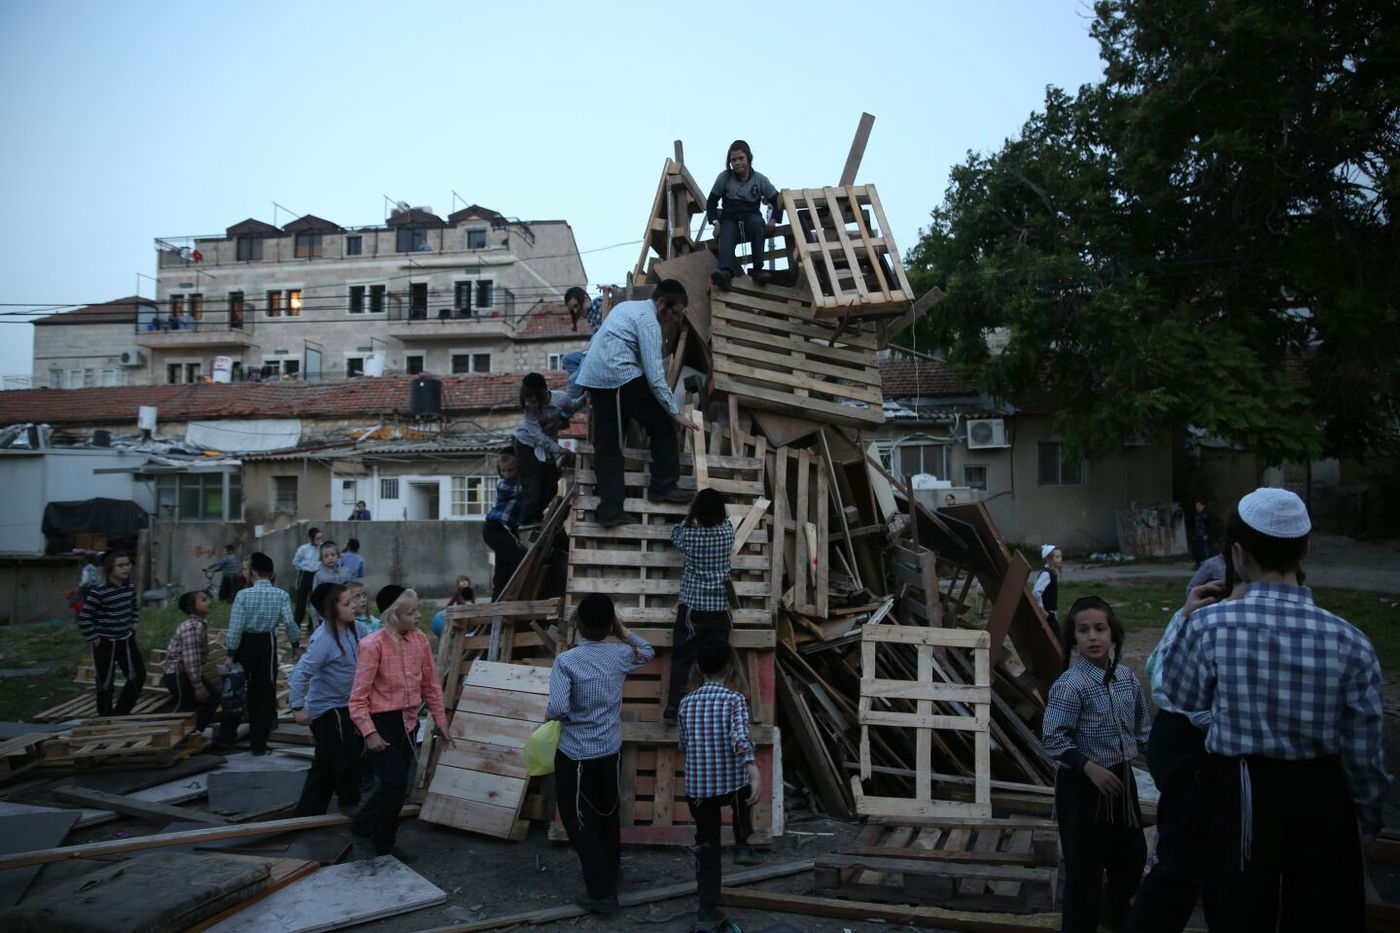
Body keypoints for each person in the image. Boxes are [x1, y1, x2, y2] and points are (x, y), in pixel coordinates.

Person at [1159, 487, 1389, 930]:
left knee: (1240, 914)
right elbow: (1366, 758)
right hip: (1323, 798)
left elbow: (1179, 696)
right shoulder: (1351, 641)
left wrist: (1185, 620)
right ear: (1306, 549)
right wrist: (1364, 825)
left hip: (1239, 793)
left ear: (1238, 554)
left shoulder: (1209, 625)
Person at [1125, 539, 1241, 933]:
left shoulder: (1239, 624)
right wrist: (1189, 615)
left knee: (1217, 870)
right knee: (1181, 865)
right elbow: (1162, 679)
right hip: (1190, 762)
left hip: (1211, 764)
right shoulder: (1192, 621)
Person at [1042, 596, 1150, 933]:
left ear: (1113, 634)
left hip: (1121, 782)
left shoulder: (1128, 679)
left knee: (1132, 859)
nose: (1092, 637)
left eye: (1099, 629)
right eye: (1083, 630)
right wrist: (1089, 767)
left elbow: (1143, 730)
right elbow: (1053, 739)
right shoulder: (1070, 685)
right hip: (1083, 787)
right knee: (1084, 873)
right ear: (1073, 637)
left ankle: (1112, 918)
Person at [546, 594, 655, 915]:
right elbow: (648, 651)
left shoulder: (567, 662)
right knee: (607, 815)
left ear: (577, 624)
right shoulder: (621, 654)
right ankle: (611, 872)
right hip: (609, 751)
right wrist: (624, 632)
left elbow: (557, 709)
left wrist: (558, 718)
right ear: (610, 625)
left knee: (579, 822)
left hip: (575, 755)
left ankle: (602, 894)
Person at [575, 279, 700, 527]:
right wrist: (675, 412)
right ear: (661, 303)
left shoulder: (626, 308)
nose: (676, 319)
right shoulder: (649, 322)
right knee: (662, 421)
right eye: (674, 313)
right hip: (618, 374)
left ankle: (610, 511)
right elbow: (655, 377)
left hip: (595, 376)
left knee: (607, 445)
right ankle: (663, 486)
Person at [348, 585, 453, 859]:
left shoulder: (420, 642)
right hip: (381, 722)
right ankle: (361, 827)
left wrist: (441, 722)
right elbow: (357, 699)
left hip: (408, 722)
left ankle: (385, 844)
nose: (419, 616)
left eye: (417, 609)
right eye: (411, 612)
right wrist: (369, 733)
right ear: (394, 616)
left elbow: (431, 686)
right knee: (392, 782)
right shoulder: (372, 646)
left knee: (398, 789)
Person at [677, 640, 762, 929]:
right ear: (729, 670)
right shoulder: (734, 700)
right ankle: (742, 842)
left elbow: (684, 744)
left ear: (698, 668)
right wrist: (753, 767)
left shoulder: (686, 702)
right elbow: (739, 737)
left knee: (707, 845)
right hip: (731, 786)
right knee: (744, 792)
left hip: (698, 791)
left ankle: (707, 907)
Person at [290, 583, 369, 816]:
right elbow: (298, 675)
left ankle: (308, 812)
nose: (354, 605)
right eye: (347, 603)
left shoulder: (357, 628)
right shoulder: (323, 640)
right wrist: (297, 707)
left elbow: (376, 644)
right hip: (327, 711)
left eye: (353, 600)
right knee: (348, 758)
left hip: (347, 704)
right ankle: (349, 803)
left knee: (325, 763)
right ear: (328, 611)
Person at [664, 488, 735, 724]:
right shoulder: (726, 533)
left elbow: (676, 534)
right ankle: (714, 713)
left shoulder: (690, 536)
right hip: (719, 607)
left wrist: (689, 517)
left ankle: (674, 706)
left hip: (692, 607)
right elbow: (727, 524)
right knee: (716, 661)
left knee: (684, 656)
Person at [226, 551, 300, 755]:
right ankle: (258, 743)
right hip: (267, 643)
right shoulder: (281, 595)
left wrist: (231, 652)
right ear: (272, 573)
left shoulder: (242, 595)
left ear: (253, 573)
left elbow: (236, 627)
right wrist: (295, 644)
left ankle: (228, 738)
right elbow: (291, 623)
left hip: (245, 644)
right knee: (264, 690)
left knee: (238, 688)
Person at [162, 590, 238, 750]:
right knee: (190, 705)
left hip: (183, 674)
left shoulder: (198, 624)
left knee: (204, 700)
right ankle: (174, 737)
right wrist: (197, 686)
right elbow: (191, 659)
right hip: (178, 674)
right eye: (203, 600)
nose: (208, 602)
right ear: (191, 607)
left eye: (208, 598)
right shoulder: (192, 627)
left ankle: (189, 735)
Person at [705, 140, 782, 289]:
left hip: (751, 215)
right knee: (726, 234)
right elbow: (711, 202)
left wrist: (773, 220)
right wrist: (715, 222)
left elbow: (777, 200)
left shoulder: (760, 180)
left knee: (758, 225)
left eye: (741, 158)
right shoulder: (724, 178)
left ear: (748, 158)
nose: (737, 163)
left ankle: (758, 270)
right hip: (730, 218)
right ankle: (725, 273)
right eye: (733, 160)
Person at [77, 551, 144, 717]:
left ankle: (121, 713)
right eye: (120, 565)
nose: (126, 568)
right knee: (106, 682)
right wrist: (94, 638)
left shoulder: (129, 589)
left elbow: (134, 607)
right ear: (109, 569)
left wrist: (134, 622)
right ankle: (105, 718)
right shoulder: (98, 592)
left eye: (127, 564)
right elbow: (84, 618)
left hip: (126, 640)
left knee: (138, 675)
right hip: (105, 643)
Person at [514, 372, 579, 529]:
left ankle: (536, 514)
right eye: (528, 401)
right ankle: (526, 518)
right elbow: (537, 436)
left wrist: (584, 399)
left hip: (548, 446)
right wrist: (558, 449)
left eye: (534, 401)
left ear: (543, 392)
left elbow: (572, 408)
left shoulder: (560, 399)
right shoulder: (529, 409)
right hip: (527, 444)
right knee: (533, 481)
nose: (532, 405)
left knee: (551, 484)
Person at [483, 452, 527, 599]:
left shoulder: (517, 483)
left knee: (502, 570)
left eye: (511, 470)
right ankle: (515, 594)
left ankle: (497, 602)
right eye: (503, 471)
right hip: (495, 529)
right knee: (522, 558)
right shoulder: (504, 484)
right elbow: (523, 490)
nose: (507, 474)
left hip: (506, 530)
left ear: (519, 468)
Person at [561, 286, 605, 402]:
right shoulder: (589, 314)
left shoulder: (598, 304)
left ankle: (566, 410)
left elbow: (601, 339)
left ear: (585, 298)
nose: (575, 312)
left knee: (574, 379)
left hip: (601, 353)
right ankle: (585, 384)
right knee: (567, 359)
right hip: (594, 350)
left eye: (576, 306)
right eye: (572, 310)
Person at [292, 527, 324, 631]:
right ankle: (296, 625)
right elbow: (296, 562)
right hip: (306, 574)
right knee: (301, 601)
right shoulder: (304, 548)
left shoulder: (323, 548)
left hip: (317, 575)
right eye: (317, 538)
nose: (320, 540)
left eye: (321, 538)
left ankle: (312, 626)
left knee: (314, 601)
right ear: (311, 538)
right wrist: (304, 568)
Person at [1032, 544, 1062, 625]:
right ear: (1049, 559)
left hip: (1051, 613)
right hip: (1048, 614)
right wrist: (1042, 610)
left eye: (1060, 557)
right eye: (1057, 557)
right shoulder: (1046, 574)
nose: (1060, 559)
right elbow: (1036, 592)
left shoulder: (1052, 573)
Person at [1189, 500, 1212, 568]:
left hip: (1204, 535)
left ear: (1203, 506)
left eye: (1199, 505)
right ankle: (1197, 564)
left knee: (1204, 551)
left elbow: (1209, 526)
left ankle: (1205, 565)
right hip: (1196, 535)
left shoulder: (1206, 515)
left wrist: (1207, 534)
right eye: (1197, 506)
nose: (1197, 507)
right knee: (1195, 550)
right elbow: (1193, 525)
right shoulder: (1195, 515)